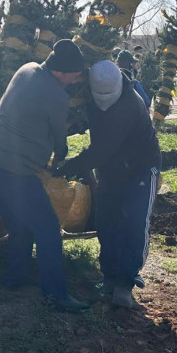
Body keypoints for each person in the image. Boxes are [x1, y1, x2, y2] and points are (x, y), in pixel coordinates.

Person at [0, 39, 88, 312]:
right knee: (48, 228)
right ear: (60, 71)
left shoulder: (26, 69)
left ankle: (16, 278)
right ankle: (57, 294)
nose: (76, 80)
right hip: (15, 172)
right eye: (74, 75)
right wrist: (61, 156)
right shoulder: (56, 94)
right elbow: (59, 140)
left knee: (19, 225)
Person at [55, 60, 161, 309]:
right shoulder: (88, 96)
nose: (103, 99)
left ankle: (125, 281)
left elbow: (99, 152)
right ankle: (110, 276)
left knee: (135, 221)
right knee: (106, 222)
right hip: (110, 170)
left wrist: (65, 168)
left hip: (140, 169)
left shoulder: (129, 105)